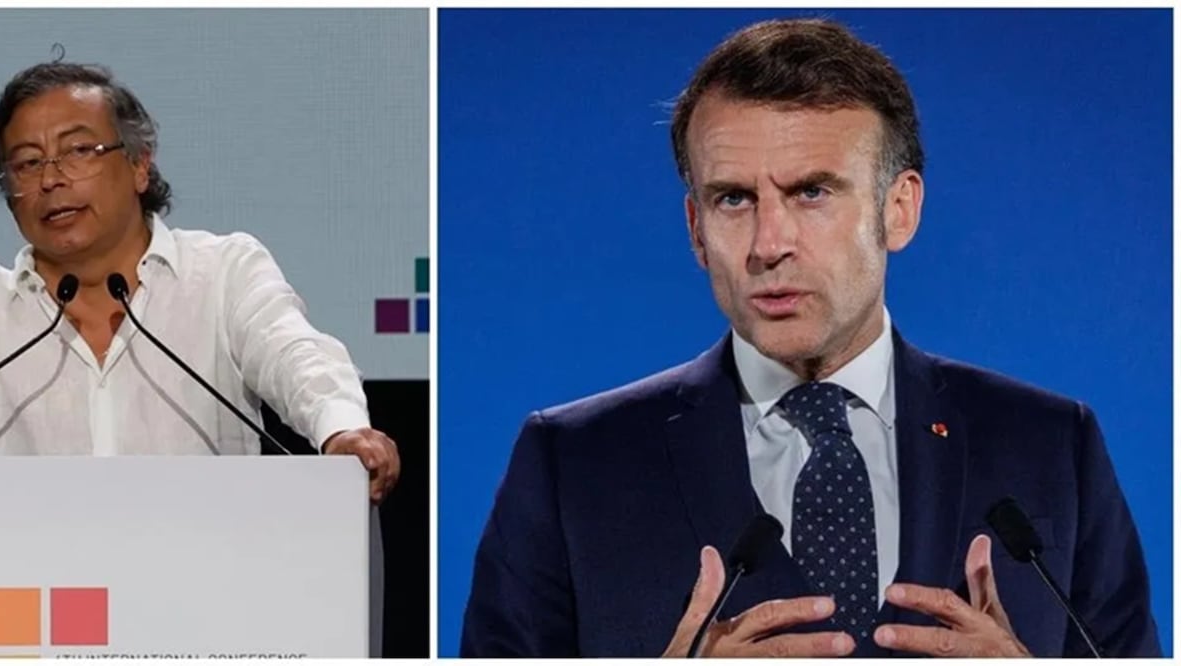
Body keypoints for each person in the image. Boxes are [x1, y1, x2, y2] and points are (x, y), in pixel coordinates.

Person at [460, 18, 1159, 657]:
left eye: (811, 194)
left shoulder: (1048, 446)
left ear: (899, 210)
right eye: (732, 199)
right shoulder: (573, 462)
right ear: (695, 230)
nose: (768, 244)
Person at [0, 62, 400, 503]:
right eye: (27, 163)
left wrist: (341, 427)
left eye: (78, 151)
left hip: (204, 608)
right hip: (29, 617)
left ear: (140, 165)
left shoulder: (222, 274)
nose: (52, 179)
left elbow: (294, 351)